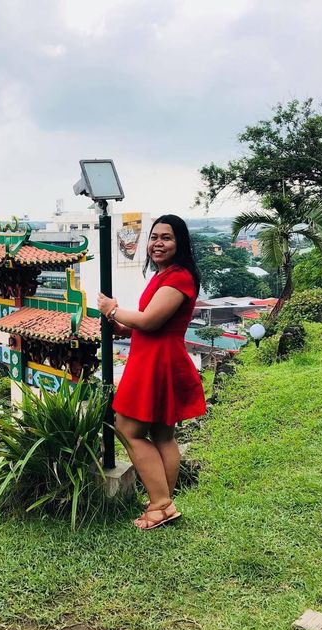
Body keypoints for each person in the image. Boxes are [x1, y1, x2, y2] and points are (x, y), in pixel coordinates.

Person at [97, 214, 206, 531]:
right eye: (154, 237)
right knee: (161, 435)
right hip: (159, 357)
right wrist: (123, 327)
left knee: (128, 430)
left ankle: (160, 504)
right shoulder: (165, 275)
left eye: (166, 238)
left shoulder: (178, 278)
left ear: (180, 243)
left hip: (155, 363)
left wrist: (113, 310)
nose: (158, 243)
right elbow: (151, 324)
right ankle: (162, 503)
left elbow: (150, 322)